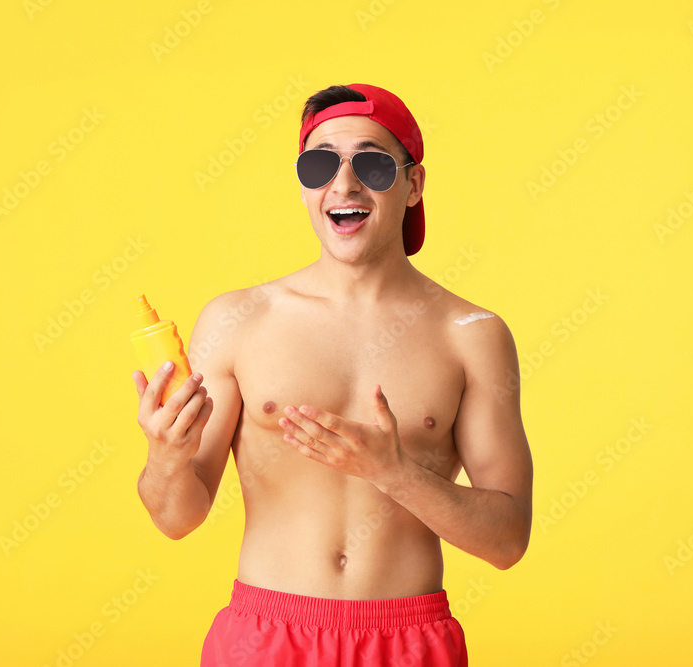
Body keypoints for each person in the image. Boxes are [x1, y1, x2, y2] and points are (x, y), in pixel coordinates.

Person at [134, 83, 533, 666]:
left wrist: (394, 473)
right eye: (321, 163)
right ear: (303, 185)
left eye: (370, 163)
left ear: (413, 183)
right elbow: (176, 519)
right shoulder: (238, 320)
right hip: (265, 637)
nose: (343, 185)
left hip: (406, 642)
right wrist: (165, 458)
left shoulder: (472, 333)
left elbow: (507, 540)